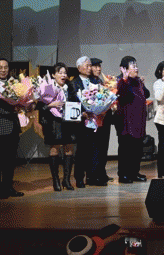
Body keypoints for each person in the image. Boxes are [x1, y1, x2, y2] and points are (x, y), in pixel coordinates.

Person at [0, 58, 25, 199]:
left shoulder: (13, 84)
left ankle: (8, 187)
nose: (3, 70)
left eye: (5, 67)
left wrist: (23, 105)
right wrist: (10, 111)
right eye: (0, 67)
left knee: (10, 160)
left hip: (13, 126)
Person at [37, 62, 75, 191]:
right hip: (53, 122)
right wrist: (50, 105)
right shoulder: (47, 87)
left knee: (69, 149)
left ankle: (66, 180)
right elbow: (39, 106)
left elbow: (76, 102)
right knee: (55, 149)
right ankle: (56, 181)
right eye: (60, 72)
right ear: (53, 75)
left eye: (65, 73)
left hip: (68, 122)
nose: (63, 75)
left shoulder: (70, 87)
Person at [115, 56, 150, 184]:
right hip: (126, 122)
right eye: (133, 66)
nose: (136, 68)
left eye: (136, 66)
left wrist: (142, 84)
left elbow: (146, 94)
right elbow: (123, 94)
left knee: (137, 149)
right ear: (124, 69)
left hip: (138, 121)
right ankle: (124, 174)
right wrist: (124, 78)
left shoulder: (137, 81)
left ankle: (134, 172)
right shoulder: (120, 81)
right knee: (126, 149)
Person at [67, 56, 94, 188]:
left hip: (93, 120)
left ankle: (90, 176)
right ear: (79, 68)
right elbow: (71, 102)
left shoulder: (94, 81)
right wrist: (82, 112)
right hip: (80, 122)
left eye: (90, 66)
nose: (89, 68)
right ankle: (79, 178)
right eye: (87, 66)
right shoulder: (73, 83)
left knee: (92, 149)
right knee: (81, 150)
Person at [89, 58, 113, 183]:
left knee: (104, 147)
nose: (98, 69)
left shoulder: (101, 81)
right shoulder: (89, 82)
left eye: (99, 66)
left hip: (105, 118)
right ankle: (93, 175)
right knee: (95, 148)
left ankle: (102, 172)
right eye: (95, 66)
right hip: (94, 119)